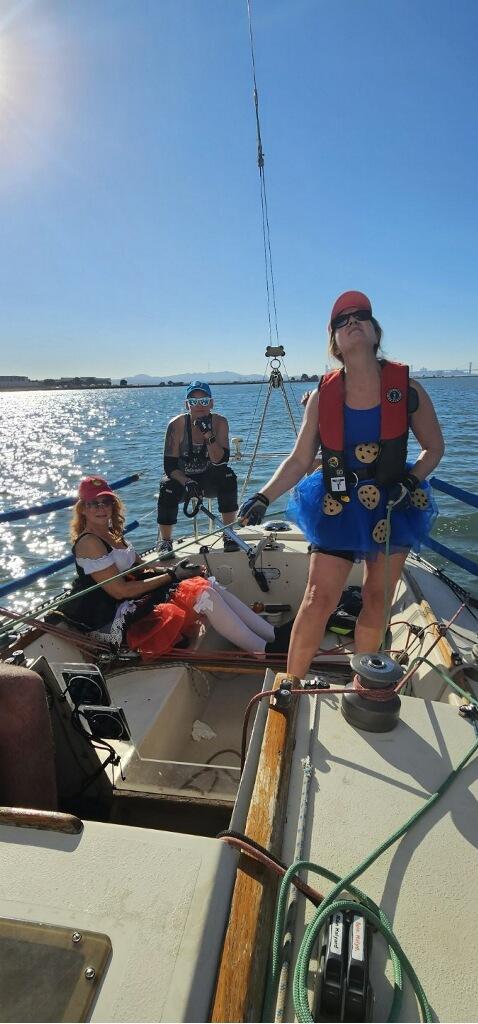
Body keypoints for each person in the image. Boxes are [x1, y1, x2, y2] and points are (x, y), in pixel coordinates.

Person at [239, 290, 445, 678]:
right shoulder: (323, 396)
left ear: (375, 331)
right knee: (317, 598)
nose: (352, 322)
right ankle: (290, 684)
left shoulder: (409, 391)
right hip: (337, 504)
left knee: (376, 598)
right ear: (334, 341)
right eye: (341, 320)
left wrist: (410, 480)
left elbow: (434, 448)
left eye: (360, 316)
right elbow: (300, 460)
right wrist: (263, 496)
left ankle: (364, 681)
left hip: (392, 505)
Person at [67, 476, 291, 655]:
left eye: (105, 502)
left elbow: (141, 567)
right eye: (93, 503)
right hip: (114, 614)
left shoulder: (111, 533)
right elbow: (119, 591)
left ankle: (272, 634)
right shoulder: (89, 543)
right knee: (204, 595)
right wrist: (173, 575)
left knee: (207, 583)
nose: (101, 508)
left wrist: (179, 572)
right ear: (82, 509)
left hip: (132, 598)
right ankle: (263, 651)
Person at [156, 381, 239, 555]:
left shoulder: (220, 423)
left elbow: (220, 461)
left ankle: (229, 533)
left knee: (228, 477)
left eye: (204, 401)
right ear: (187, 405)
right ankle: (165, 542)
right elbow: (169, 466)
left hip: (209, 478)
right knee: (167, 487)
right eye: (193, 401)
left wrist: (208, 434)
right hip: (182, 479)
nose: (199, 405)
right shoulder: (176, 425)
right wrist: (187, 482)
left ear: (211, 403)